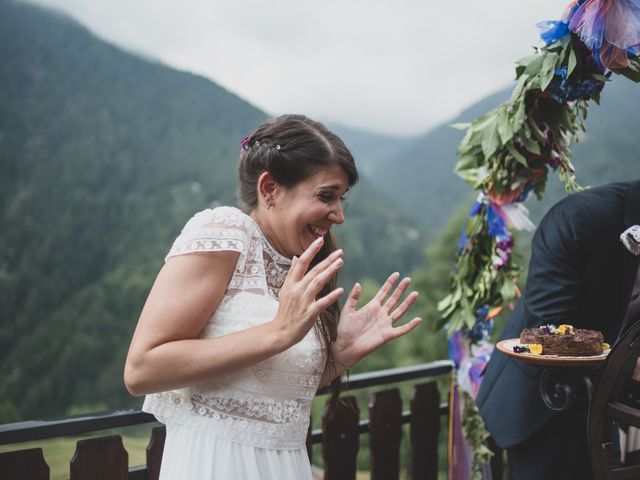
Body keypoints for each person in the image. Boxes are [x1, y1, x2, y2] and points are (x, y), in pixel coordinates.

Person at [123, 114, 422, 479]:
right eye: (327, 196)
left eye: (342, 199)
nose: (340, 215)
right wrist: (279, 331)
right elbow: (142, 369)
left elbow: (267, 390)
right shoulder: (226, 232)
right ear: (269, 190)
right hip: (218, 465)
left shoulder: (303, 260)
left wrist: (339, 357)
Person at [476, 179, 640, 480]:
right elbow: (547, 328)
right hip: (543, 404)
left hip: (611, 412)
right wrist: (631, 365)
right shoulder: (580, 218)